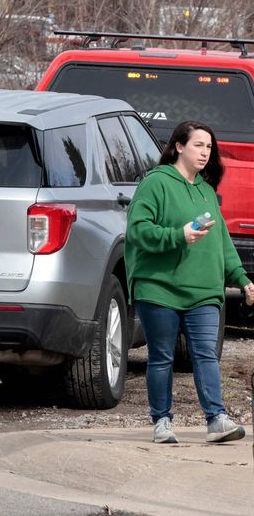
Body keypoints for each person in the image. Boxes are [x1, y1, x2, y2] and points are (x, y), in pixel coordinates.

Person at [125, 120, 251, 444]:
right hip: (159, 287)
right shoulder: (156, 183)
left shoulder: (207, 191)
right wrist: (177, 235)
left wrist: (241, 278)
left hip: (204, 290)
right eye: (198, 145)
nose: (205, 152)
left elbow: (222, 242)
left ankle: (217, 419)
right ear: (179, 147)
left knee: (206, 354)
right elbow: (138, 230)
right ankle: (162, 422)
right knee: (162, 356)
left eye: (209, 147)